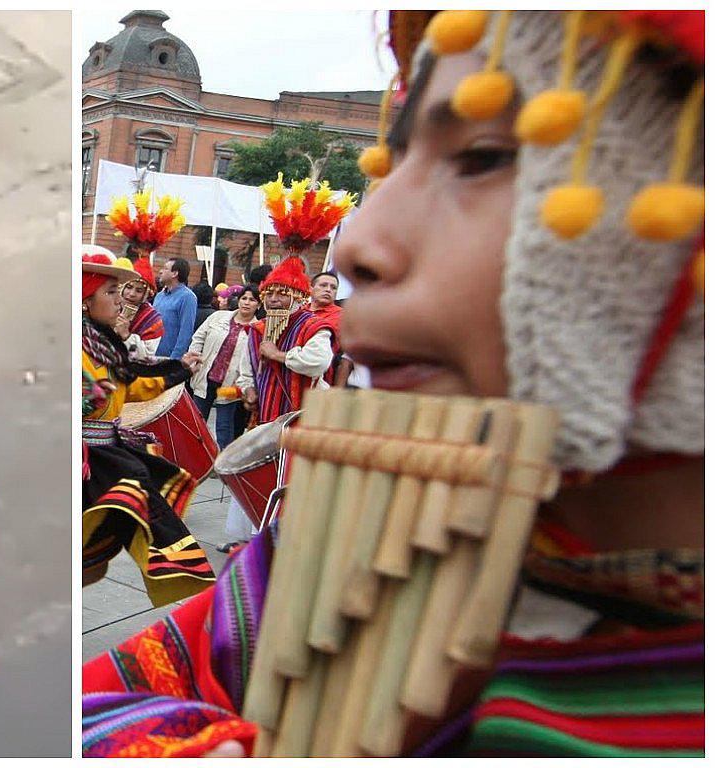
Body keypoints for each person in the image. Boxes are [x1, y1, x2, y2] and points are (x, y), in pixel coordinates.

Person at [83, 10, 703, 758]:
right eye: (396, 162)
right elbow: (100, 699)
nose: (362, 245)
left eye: (480, 156)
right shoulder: (344, 558)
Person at [82, 251, 213, 607]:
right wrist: (85, 396)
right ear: (84, 301)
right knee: (134, 488)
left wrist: (180, 368)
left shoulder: (101, 344)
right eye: (110, 292)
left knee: (142, 488)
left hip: (106, 450)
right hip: (80, 458)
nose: (120, 301)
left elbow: (133, 381)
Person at [239, 258, 337, 426]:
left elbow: (319, 362)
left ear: (298, 298)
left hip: (304, 421)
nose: (273, 299)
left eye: (282, 294)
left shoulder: (313, 326)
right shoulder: (257, 330)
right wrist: (248, 390)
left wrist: (277, 354)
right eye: (269, 294)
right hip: (265, 418)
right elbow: (246, 373)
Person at [186, 283, 261, 451]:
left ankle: (222, 462)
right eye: (244, 298)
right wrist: (194, 357)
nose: (247, 303)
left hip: (231, 385)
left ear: (258, 305)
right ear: (238, 300)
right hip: (205, 377)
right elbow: (199, 337)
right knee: (197, 421)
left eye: (252, 300)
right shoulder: (218, 316)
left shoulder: (257, 330)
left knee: (224, 426)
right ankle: (195, 456)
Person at [114, 257, 165, 359]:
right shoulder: (109, 306)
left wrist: (126, 336)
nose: (132, 294)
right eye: (129, 287)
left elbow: (147, 355)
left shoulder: (152, 319)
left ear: (145, 295)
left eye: (139, 290)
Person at [308, 270, 351, 385]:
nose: (328, 290)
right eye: (323, 285)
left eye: (333, 288)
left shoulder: (342, 316)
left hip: (321, 377)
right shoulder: (299, 311)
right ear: (311, 289)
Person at [151, 257, 199, 359]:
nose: (160, 271)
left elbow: (185, 332)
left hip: (168, 358)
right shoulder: (159, 296)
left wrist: (174, 360)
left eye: (165, 268)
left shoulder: (188, 297)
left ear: (175, 273)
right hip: (151, 354)